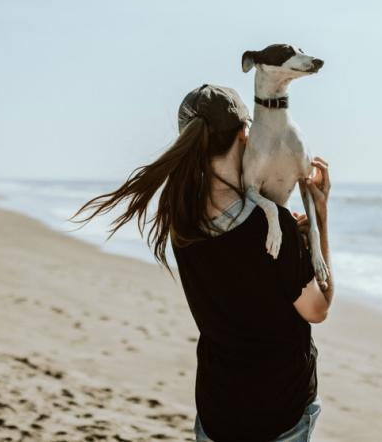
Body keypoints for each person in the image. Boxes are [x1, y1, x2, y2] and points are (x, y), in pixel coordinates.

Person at [70, 83, 334, 442]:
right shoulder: (270, 225)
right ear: (245, 134)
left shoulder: (180, 217)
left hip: (218, 410)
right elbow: (318, 309)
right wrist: (319, 216)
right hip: (279, 410)